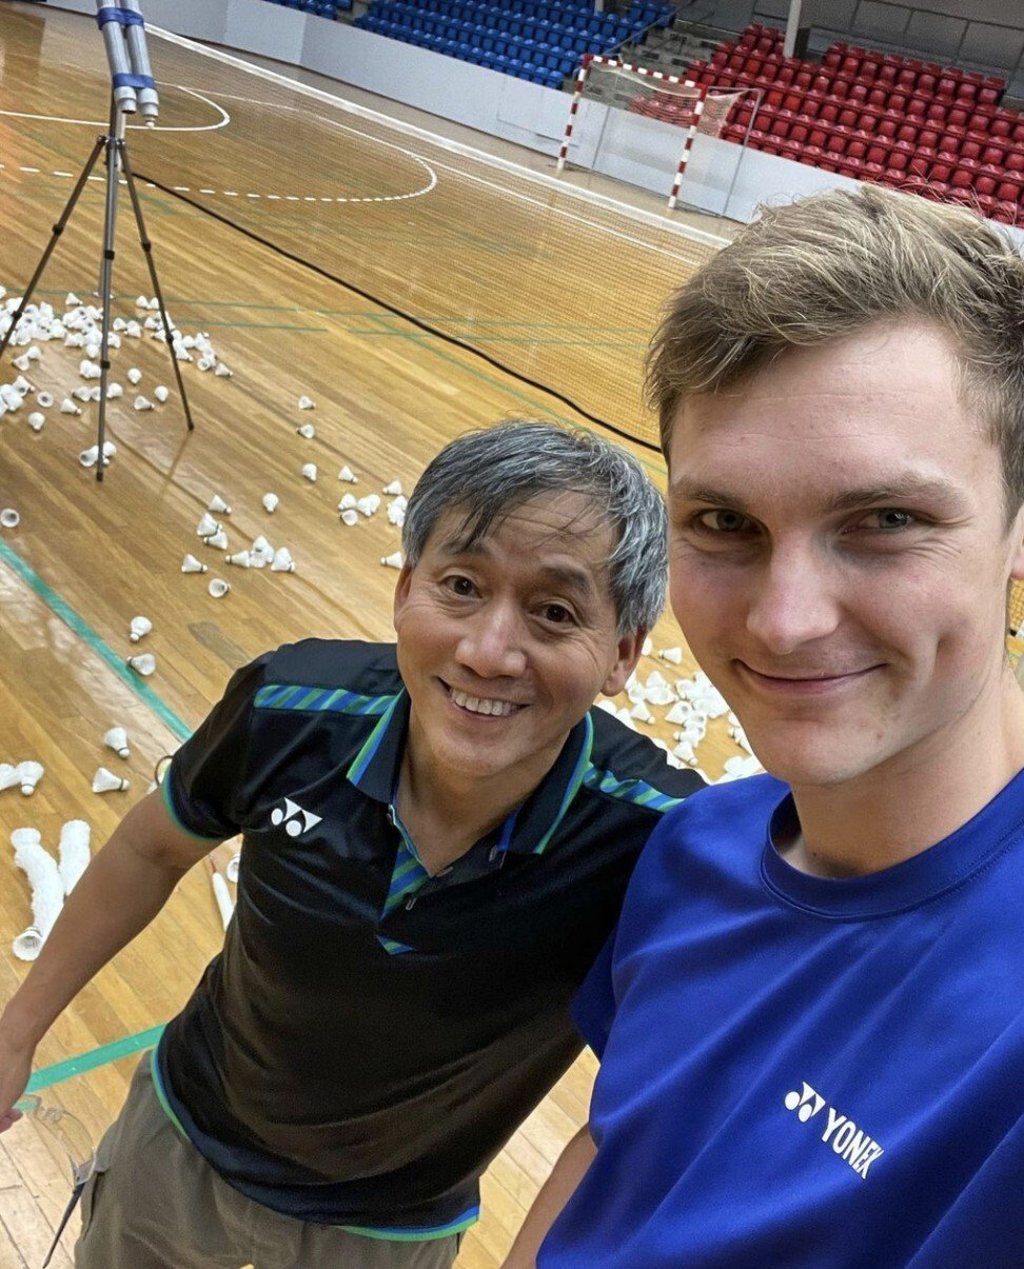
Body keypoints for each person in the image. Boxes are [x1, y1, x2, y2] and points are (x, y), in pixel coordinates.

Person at [0, 420, 704, 1268]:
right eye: (461, 585)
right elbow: (151, 849)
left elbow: (643, 1104)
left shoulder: (657, 841)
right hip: (183, 1145)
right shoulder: (288, 708)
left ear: (622, 652)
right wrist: (15, 1032)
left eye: (555, 612)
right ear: (406, 590)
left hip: (391, 1230)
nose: (487, 651)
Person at [508, 186, 1024, 1268]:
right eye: (723, 523)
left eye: (886, 521)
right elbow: (619, 1148)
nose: (784, 622)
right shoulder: (692, 848)